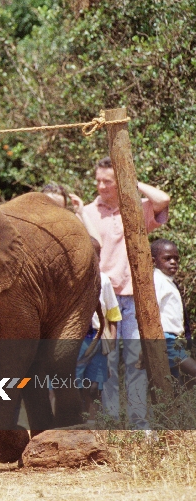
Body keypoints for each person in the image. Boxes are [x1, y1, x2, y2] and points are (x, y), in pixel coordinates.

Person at [80, 157, 170, 429]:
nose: (101, 186)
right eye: (98, 180)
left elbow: (162, 200)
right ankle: (112, 423)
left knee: (134, 361)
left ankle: (139, 423)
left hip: (132, 297)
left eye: (107, 181)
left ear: (119, 182)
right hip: (101, 300)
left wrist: (133, 183)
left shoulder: (135, 208)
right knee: (107, 363)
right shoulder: (87, 211)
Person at [75, 238, 121, 416]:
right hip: (77, 339)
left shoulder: (104, 281)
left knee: (95, 385)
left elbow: (113, 314)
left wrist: (112, 340)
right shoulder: (71, 280)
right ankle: (74, 423)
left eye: (97, 255)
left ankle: (94, 425)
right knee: (75, 384)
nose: (94, 259)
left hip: (98, 337)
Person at [151, 239, 196, 386]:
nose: (173, 262)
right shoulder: (157, 280)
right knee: (193, 369)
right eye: (167, 258)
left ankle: (170, 408)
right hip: (164, 339)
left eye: (176, 258)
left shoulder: (167, 281)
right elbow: (152, 309)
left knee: (172, 382)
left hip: (173, 338)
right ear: (153, 261)